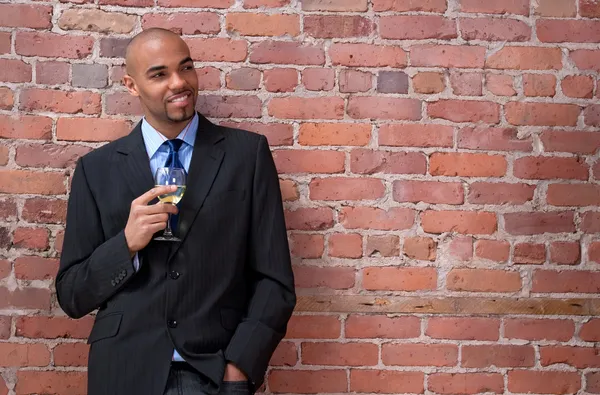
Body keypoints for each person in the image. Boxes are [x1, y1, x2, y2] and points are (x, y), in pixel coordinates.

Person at [55, 28, 296, 395]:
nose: (179, 83)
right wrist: (126, 246)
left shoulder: (247, 155)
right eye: (159, 74)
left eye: (186, 68)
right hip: (122, 373)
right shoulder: (96, 169)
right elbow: (72, 295)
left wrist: (239, 367)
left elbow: (274, 280)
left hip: (213, 371)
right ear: (132, 86)